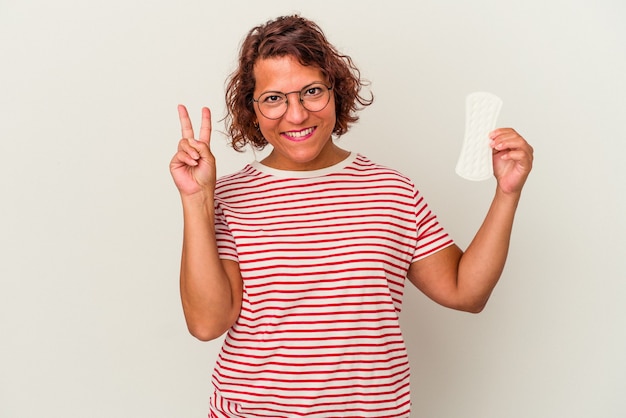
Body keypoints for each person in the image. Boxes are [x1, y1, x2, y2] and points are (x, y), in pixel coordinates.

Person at [169, 15, 533, 418]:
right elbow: (206, 323)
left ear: (336, 93)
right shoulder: (228, 198)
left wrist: (506, 192)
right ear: (252, 110)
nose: (296, 114)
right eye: (274, 98)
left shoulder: (392, 191)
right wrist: (197, 199)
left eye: (311, 92)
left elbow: (466, 292)